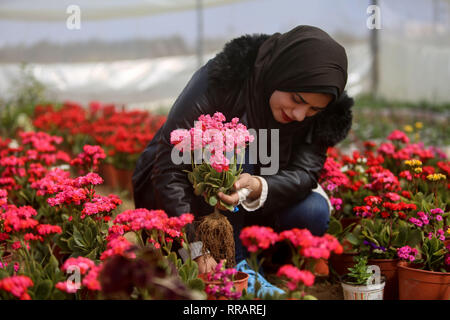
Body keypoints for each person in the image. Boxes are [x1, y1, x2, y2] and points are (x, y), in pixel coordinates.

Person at [132, 25, 354, 296]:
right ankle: (233, 267)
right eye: (296, 99)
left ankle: (256, 259)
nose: (299, 115)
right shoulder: (223, 79)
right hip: (186, 196)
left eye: (312, 109)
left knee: (314, 211)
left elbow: (305, 173)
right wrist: (194, 247)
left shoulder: (323, 108)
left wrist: (259, 186)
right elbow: (168, 168)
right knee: (234, 149)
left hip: (252, 201)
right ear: (281, 73)